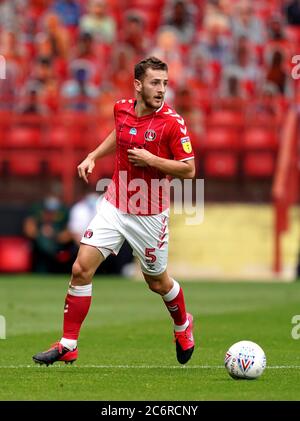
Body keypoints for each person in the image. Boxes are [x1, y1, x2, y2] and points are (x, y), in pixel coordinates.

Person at [32, 57, 196, 366]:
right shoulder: (121, 108)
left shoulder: (172, 122)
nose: (161, 89)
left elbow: (188, 170)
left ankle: (182, 325)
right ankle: (69, 344)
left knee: (157, 283)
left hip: (149, 215)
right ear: (138, 85)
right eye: (154, 83)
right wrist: (93, 155)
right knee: (81, 268)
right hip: (115, 205)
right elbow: (119, 134)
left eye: (164, 83)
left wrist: (152, 160)